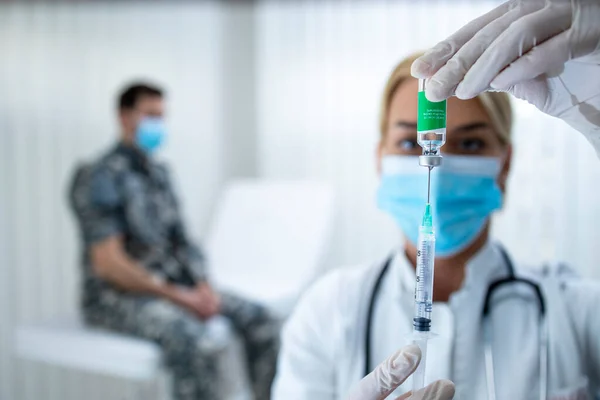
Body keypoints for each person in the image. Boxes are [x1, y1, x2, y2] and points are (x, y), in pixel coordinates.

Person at [273, 0, 600, 396]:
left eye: (472, 143)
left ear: (505, 163)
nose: (438, 164)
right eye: (411, 142)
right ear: (380, 158)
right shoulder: (329, 311)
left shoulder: (575, 308)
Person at [69, 83, 279, 400]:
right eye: (150, 115)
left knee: (262, 320)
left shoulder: (159, 174)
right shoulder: (98, 176)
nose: (158, 125)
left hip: (174, 288)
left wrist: (203, 284)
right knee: (196, 342)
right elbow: (110, 265)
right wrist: (182, 298)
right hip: (118, 297)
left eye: (162, 116)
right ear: (125, 117)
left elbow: (183, 242)